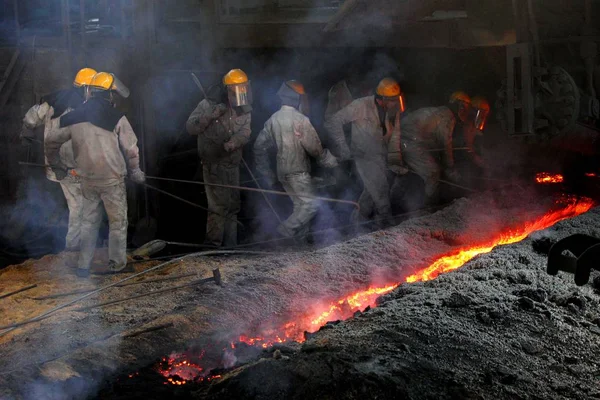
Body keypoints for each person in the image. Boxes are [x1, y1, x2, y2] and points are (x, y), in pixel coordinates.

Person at [45, 72, 143, 277]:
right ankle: (116, 265)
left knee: (88, 223)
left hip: (87, 180)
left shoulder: (73, 117)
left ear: (90, 91)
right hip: (112, 181)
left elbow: (51, 141)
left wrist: (56, 164)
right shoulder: (117, 118)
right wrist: (135, 172)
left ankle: (83, 266)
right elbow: (131, 150)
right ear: (109, 96)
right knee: (117, 224)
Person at [21, 67, 97, 252]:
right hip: (68, 167)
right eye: (93, 90)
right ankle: (73, 248)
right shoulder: (83, 109)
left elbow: (32, 117)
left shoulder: (54, 101)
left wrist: (26, 129)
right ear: (86, 88)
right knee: (80, 206)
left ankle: (80, 244)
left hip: (58, 164)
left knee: (81, 205)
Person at [254, 80, 338, 239]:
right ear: (296, 98)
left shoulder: (273, 119)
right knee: (311, 205)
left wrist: (266, 172)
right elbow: (315, 148)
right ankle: (284, 231)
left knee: (300, 206)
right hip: (298, 171)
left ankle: (299, 243)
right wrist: (331, 161)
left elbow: (259, 146)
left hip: (282, 173)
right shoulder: (300, 120)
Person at [324, 77, 406, 227]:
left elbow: (396, 135)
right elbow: (333, 121)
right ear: (381, 98)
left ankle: (357, 221)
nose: (395, 103)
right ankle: (386, 223)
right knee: (381, 189)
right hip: (363, 155)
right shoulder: (361, 105)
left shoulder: (393, 111)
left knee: (371, 189)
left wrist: (395, 160)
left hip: (380, 154)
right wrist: (343, 147)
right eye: (392, 100)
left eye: (397, 99)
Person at [186, 69, 252, 247]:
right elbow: (190, 128)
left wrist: (234, 142)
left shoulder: (243, 108)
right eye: (234, 92)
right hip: (214, 166)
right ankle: (213, 247)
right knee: (218, 208)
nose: (238, 95)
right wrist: (210, 116)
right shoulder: (207, 105)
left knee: (233, 207)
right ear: (225, 90)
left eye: (242, 90)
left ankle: (231, 247)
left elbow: (245, 131)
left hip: (233, 165)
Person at [401, 91, 472, 201]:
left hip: (402, 139)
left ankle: (395, 203)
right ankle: (429, 206)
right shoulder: (448, 117)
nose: (463, 111)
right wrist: (450, 167)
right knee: (433, 173)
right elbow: (445, 144)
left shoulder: (440, 111)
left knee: (402, 174)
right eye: (463, 107)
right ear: (458, 105)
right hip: (408, 141)